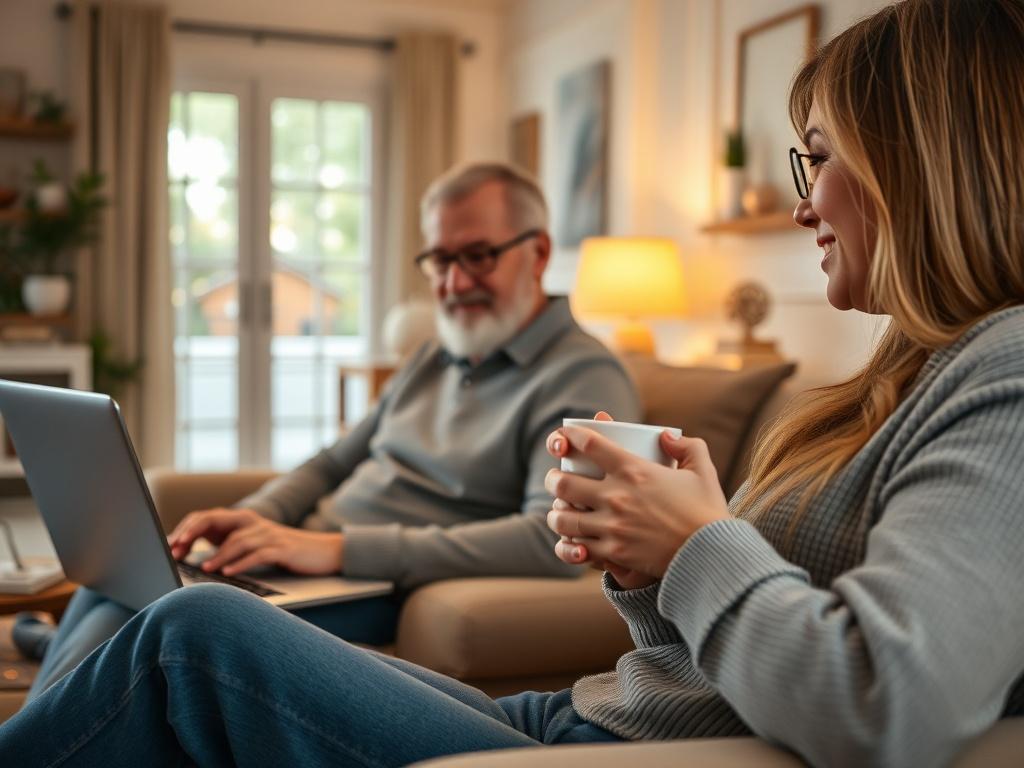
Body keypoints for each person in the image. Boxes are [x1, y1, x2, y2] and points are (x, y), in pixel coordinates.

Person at [4, 1, 1024, 765]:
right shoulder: (898, 375)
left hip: (604, 740)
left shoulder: (1003, 374)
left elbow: (888, 698)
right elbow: (717, 640)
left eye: (816, 160)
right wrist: (646, 568)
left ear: (913, 166)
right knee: (146, 603)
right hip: (587, 708)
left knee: (190, 634)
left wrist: (698, 543)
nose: (804, 205)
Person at [20, 162, 640, 697]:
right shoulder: (436, 354)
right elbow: (331, 462)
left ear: (538, 252)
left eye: (477, 255)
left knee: (141, 619)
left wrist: (337, 549)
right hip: (308, 563)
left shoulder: (583, 377)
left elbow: (550, 542)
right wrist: (254, 516)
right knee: (113, 584)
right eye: (440, 260)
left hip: (371, 581)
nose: (453, 283)